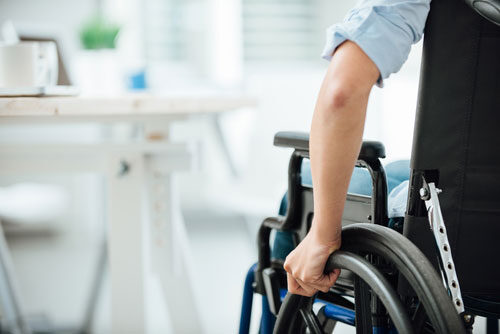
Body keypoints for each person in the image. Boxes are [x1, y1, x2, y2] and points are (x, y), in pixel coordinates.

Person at [282, 0, 432, 297]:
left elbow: (342, 92)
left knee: (300, 191)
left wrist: (323, 235)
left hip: (447, 220)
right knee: (404, 172)